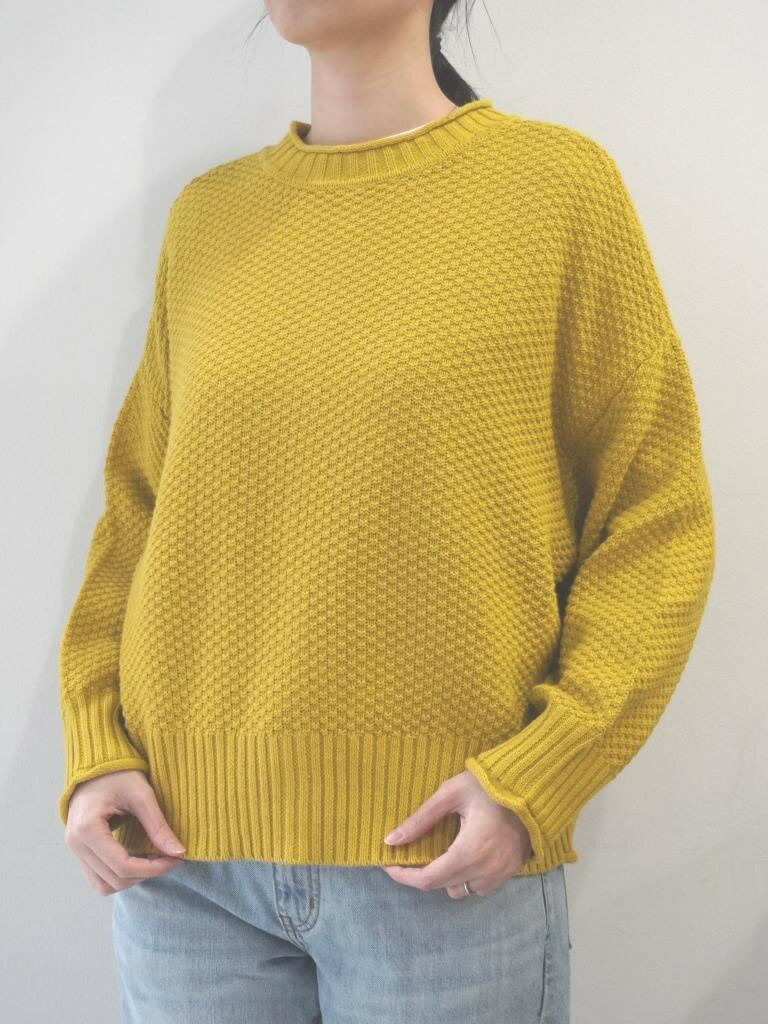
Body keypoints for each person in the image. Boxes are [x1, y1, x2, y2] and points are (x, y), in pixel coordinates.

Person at [57, 1, 716, 1021]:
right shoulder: (210, 215)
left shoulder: (554, 188)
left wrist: (543, 769)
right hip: (180, 866)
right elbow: (139, 512)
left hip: (443, 865)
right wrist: (95, 741)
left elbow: (656, 514)